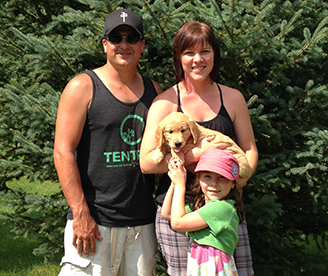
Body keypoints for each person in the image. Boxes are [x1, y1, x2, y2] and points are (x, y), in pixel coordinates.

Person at [140, 21, 258, 276]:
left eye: (205, 51)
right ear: (178, 58)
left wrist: (237, 181)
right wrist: (198, 154)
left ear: (215, 53)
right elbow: (147, 163)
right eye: (188, 53)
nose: (198, 59)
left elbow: (249, 150)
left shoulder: (233, 98)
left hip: (224, 208)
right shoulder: (165, 103)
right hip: (179, 211)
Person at [53, 8, 162, 276]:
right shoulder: (82, 87)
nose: (124, 44)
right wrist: (80, 214)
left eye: (132, 37)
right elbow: (62, 151)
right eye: (116, 37)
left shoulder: (156, 92)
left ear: (142, 45)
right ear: (105, 45)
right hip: (93, 224)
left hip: (142, 227)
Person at [162, 149, 245, 276]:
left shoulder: (222, 208)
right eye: (207, 176)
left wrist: (180, 185)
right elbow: (167, 213)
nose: (214, 183)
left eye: (222, 177)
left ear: (233, 183)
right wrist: (175, 181)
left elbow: (177, 223)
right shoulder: (203, 207)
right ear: (199, 179)